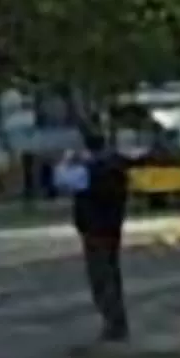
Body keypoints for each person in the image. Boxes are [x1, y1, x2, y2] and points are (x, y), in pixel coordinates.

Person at [65, 127, 131, 343]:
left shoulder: (90, 170)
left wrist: (70, 161)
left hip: (94, 229)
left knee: (101, 278)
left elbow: (62, 179)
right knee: (112, 274)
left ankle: (112, 323)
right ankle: (117, 321)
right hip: (112, 226)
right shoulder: (116, 166)